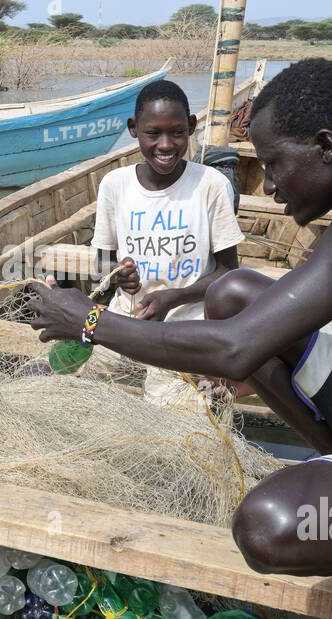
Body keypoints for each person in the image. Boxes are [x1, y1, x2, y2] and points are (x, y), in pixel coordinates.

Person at [29, 59, 332, 576]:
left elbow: (236, 348)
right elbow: (248, 326)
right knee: (235, 292)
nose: (267, 186)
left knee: (267, 524)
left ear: (326, 147)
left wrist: (90, 323)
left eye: (273, 164)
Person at [88, 77, 243, 406]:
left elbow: (229, 272)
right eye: (152, 133)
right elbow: (100, 263)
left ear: (190, 127)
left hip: (185, 330)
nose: (166, 144)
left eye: (176, 132)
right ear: (133, 129)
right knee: (73, 374)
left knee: (173, 415)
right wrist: (117, 273)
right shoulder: (114, 184)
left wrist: (174, 297)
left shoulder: (211, 184)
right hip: (122, 319)